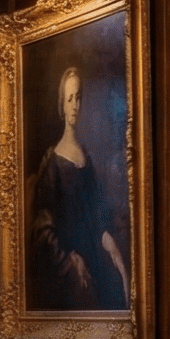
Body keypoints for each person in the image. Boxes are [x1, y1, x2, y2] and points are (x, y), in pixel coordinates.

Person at [28, 64, 129, 311]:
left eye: (79, 98)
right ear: (62, 105)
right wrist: (70, 263)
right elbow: (42, 231)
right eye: (70, 99)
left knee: (120, 284)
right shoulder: (53, 163)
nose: (75, 105)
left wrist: (109, 240)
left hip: (96, 252)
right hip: (72, 266)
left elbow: (98, 212)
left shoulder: (86, 155)